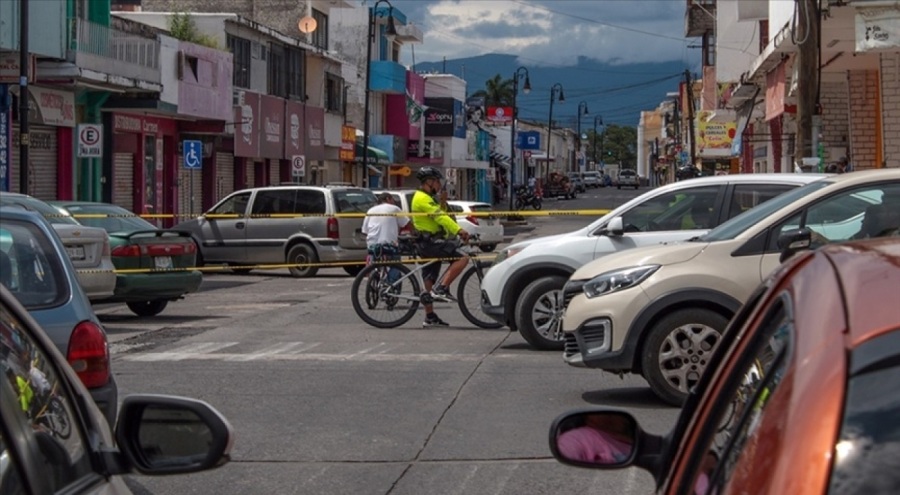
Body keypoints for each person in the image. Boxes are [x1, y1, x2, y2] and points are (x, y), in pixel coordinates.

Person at [411, 167, 470, 327]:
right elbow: (440, 217)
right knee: (463, 258)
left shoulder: (428, 197)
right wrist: (459, 230)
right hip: (429, 242)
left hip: (429, 241)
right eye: (436, 181)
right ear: (428, 182)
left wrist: (443, 202)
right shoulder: (422, 198)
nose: (439, 185)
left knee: (429, 277)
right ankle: (442, 288)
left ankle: (429, 316)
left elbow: (441, 212)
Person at [361, 193, 409, 280]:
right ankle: (391, 284)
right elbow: (406, 223)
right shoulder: (394, 208)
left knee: (373, 264)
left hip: (373, 246)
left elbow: (365, 231)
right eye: (393, 200)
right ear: (388, 199)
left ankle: (374, 278)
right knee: (396, 265)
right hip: (389, 245)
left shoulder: (370, 210)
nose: (394, 202)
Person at [556, 414, 634, 464]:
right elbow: (565, 450)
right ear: (587, 417)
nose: (612, 416)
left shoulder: (635, 438)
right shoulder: (579, 437)